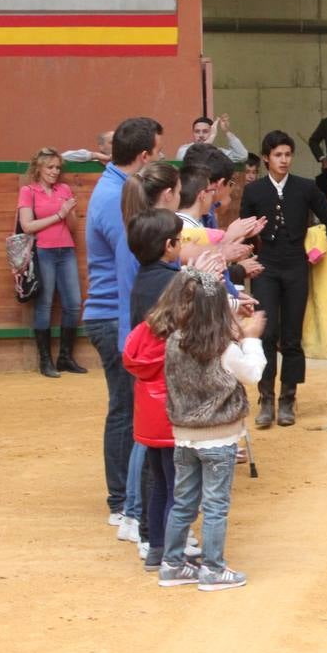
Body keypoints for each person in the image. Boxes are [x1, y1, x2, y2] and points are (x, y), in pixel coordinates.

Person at [156, 267, 267, 592]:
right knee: (216, 504)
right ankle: (213, 569)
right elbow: (253, 374)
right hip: (219, 437)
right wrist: (251, 340)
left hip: (185, 435)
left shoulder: (174, 342)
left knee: (183, 501)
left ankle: (173, 564)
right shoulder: (224, 348)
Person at [83, 117, 163, 529]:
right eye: (159, 152)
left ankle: (123, 497)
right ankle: (121, 500)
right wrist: (140, 331)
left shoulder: (117, 189)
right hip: (115, 314)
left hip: (113, 313)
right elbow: (128, 267)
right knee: (126, 409)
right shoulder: (116, 197)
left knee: (126, 408)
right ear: (144, 156)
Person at [241, 130, 327, 427]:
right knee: (267, 334)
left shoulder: (305, 188)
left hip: (297, 266)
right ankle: (266, 399)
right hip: (265, 268)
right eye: (278, 155)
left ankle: (288, 397)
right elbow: (243, 233)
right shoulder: (254, 191)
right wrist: (249, 254)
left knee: (292, 337)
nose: (284, 160)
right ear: (266, 159)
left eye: (287, 155)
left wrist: (315, 248)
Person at [121, 208, 184, 573]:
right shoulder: (171, 283)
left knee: (160, 478)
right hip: (173, 396)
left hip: (148, 396)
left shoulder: (142, 280)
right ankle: (174, 553)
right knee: (179, 481)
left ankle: (156, 546)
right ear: (168, 246)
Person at [17, 147, 87, 378]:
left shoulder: (64, 189)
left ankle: (65, 357)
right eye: (50, 167)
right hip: (44, 252)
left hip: (65, 250)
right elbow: (27, 226)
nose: (55, 171)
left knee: (74, 304)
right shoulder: (28, 191)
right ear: (39, 168)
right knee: (44, 305)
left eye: (58, 167)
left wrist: (68, 213)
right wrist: (59, 214)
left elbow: (74, 227)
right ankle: (45, 360)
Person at [175, 114, 249, 164]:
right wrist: (211, 138)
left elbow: (242, 156)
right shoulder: (184, 149)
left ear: (212, 132)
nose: (201, 135)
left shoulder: (218, 152)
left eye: (205, 131)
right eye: (197, 131)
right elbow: (196, 157)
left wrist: (227, 131)